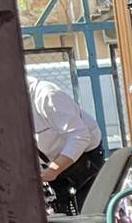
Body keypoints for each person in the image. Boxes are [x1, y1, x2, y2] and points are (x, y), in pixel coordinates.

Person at [25, 74, 104, 212]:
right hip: (51, 167)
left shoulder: (47, 95)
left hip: (84, 159)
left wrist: (53, 170)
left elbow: (79, 136)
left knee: (89, 216)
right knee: (62, 219)